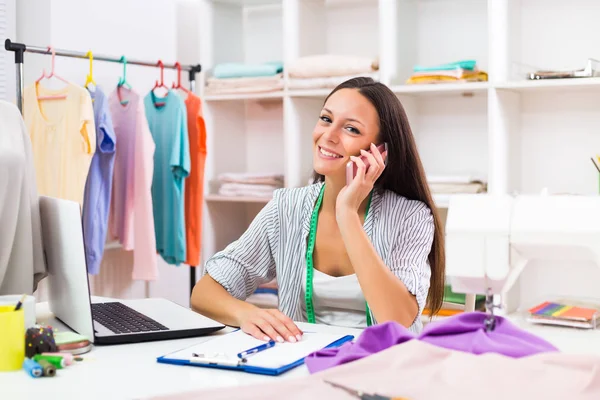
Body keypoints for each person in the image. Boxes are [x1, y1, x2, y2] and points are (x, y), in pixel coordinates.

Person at [191, 77, 445, 343]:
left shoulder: (411, 216)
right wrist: (246, 314)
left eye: (351, 129)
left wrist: (346, 213)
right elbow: (204, 294)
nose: (329, 136)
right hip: (303, 366)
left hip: (384, 369)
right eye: (326, 119)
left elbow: (398, 319)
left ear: (380, 152)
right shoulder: (286, 208)